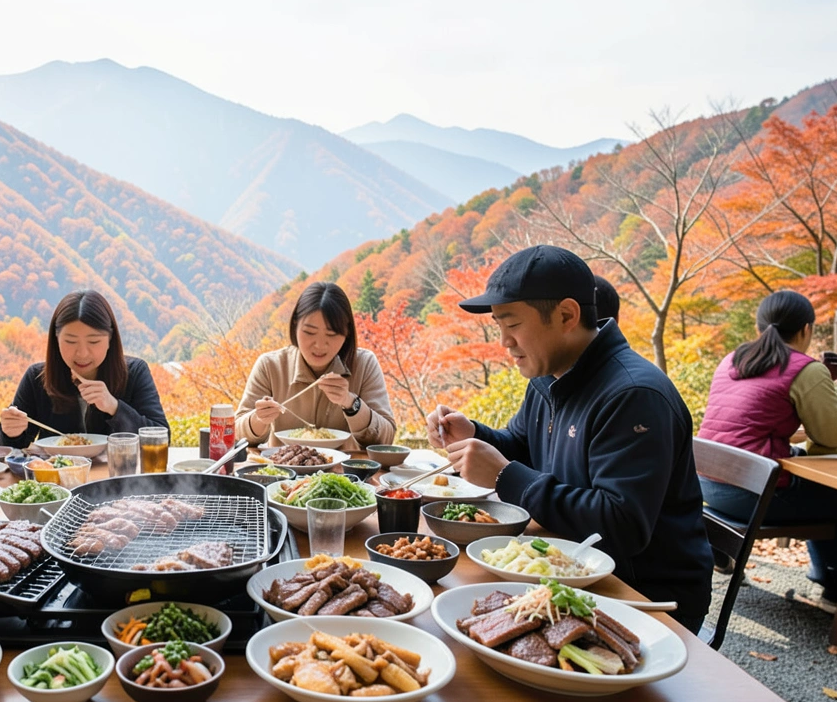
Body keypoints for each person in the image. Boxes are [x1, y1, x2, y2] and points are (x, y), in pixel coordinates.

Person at [427, 245, 713, 632]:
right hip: (566, 571)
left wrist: (504, 476)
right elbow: (522, 446)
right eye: (499, 326)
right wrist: (473, 435)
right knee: (448, 611)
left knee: (459, 626)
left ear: (566, 315)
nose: (504, 341)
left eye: (512, 324)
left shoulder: (633, 395)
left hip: (642, 597)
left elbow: (621, 524)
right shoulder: (550, 377)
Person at [698, 290, 837, 614]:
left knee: (815, 486)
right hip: (751, 495)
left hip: (709, 486)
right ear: (806, 329)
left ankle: (721, 554)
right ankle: (833, 588)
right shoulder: (805, 369)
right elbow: (833, 434)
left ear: (759, 326)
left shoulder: (733, 359)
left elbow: (749, 425)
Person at [0, 291, 167, 447]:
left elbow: (162, 439)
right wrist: (10, 432)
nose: (82, 353)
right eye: (70, 341)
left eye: (94, 341)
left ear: (110, 339)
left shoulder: (135, 372)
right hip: (55, 472)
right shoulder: (37, 377)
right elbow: (5, 448)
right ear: (56, 339)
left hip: (116, 471)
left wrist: (113, 406)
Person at [236, 281, 396, 448]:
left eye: (331, 334)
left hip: (346, 465)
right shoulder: (270, 366)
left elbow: (386, 440)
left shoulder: (364, 364)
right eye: (309, 332)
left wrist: (351, 403)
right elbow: (237, 434)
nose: (319, 345)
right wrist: (259, 418)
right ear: (295, 324)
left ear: (347, 332)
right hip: (284, 464)